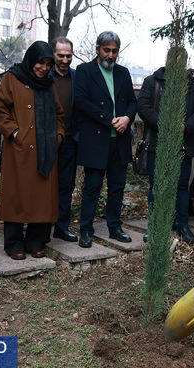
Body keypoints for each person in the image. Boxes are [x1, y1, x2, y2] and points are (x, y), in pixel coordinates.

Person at [0, 41, 65, 260]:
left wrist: (58, 137)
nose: (43, 68)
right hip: (19, 150)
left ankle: (36, 241)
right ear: (31, 60)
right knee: (17, 195)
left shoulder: (49, 84)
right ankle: (14, 243)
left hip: (46, 150)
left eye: (48, 64)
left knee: (41, 198)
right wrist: (15, 133)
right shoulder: (12, 79)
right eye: (40, 63)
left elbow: (60, 115)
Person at [73, 31, 137, 248]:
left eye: (114, 51)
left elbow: (132, 101)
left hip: (119, 140)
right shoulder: (84, 71)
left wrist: (127, 118)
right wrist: (109, 120)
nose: (110, 55)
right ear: (98, 49)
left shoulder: (123, 72)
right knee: (92, 187)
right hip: (96, 139)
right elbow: (80, 101)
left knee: (117, 187)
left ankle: (114, 227)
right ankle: (86, 230)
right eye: (106, 50)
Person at [137, 48, 194, 244]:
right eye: (174, 61)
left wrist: (186, 127)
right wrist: (165, 125)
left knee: (182, 187)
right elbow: (143, 107)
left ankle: (182, 224)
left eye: (181, 62)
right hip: (158, 143)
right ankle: (155, 226)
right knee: (157, 186)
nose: (178, 66)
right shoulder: (153, 81)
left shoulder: (192, 85)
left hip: (184, 144)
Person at [49, 37, 80, 242]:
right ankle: (36, 224)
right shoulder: (44, 75)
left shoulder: (78, 77)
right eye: (60, 55)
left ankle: (61, 226)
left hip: (70, 139)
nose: (65, 59)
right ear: (53, 54)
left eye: (68, 55)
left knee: (66, 185)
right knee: (43, 182)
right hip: (47, 138)